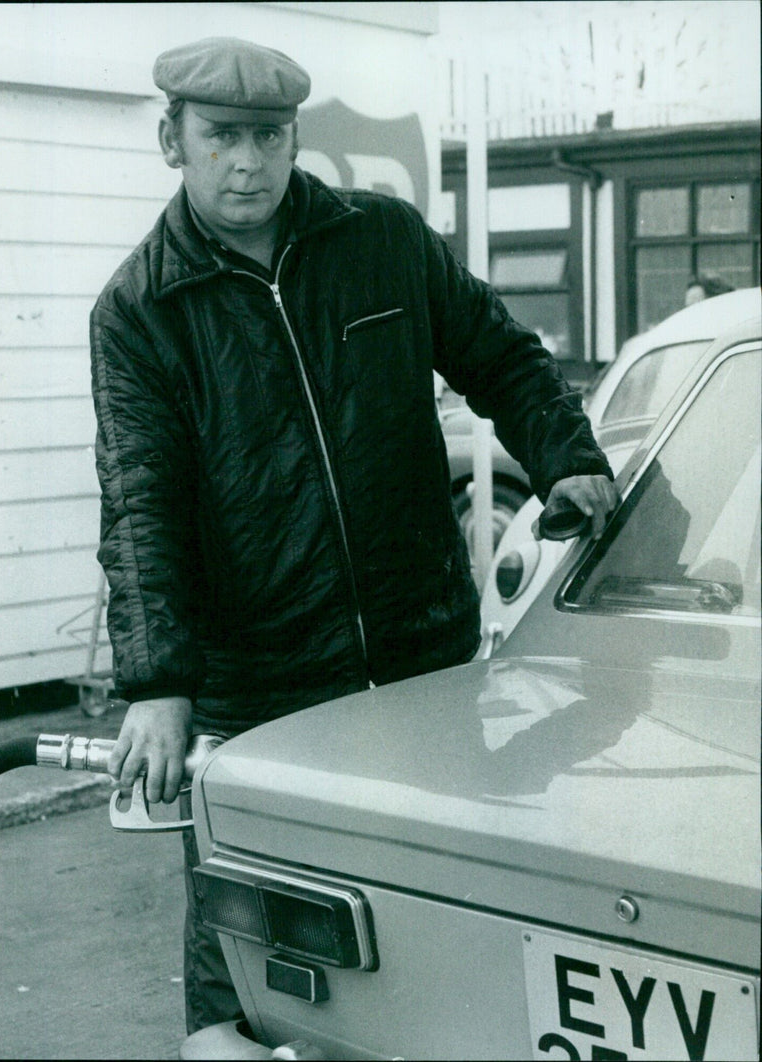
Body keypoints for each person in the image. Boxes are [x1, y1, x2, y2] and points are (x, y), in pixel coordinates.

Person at [90, 36, 618, 1033]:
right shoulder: (139, 310)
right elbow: (138, 502)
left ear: (294, 140)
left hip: (421, 662)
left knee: (438, 924)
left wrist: (566, 455)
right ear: (173, 140)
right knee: (255, 962)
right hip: (261, 697)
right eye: (220, 138)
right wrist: (158, 685)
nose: (245, 162)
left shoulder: (381, 239)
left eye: (267, 136)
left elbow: (497, 354)